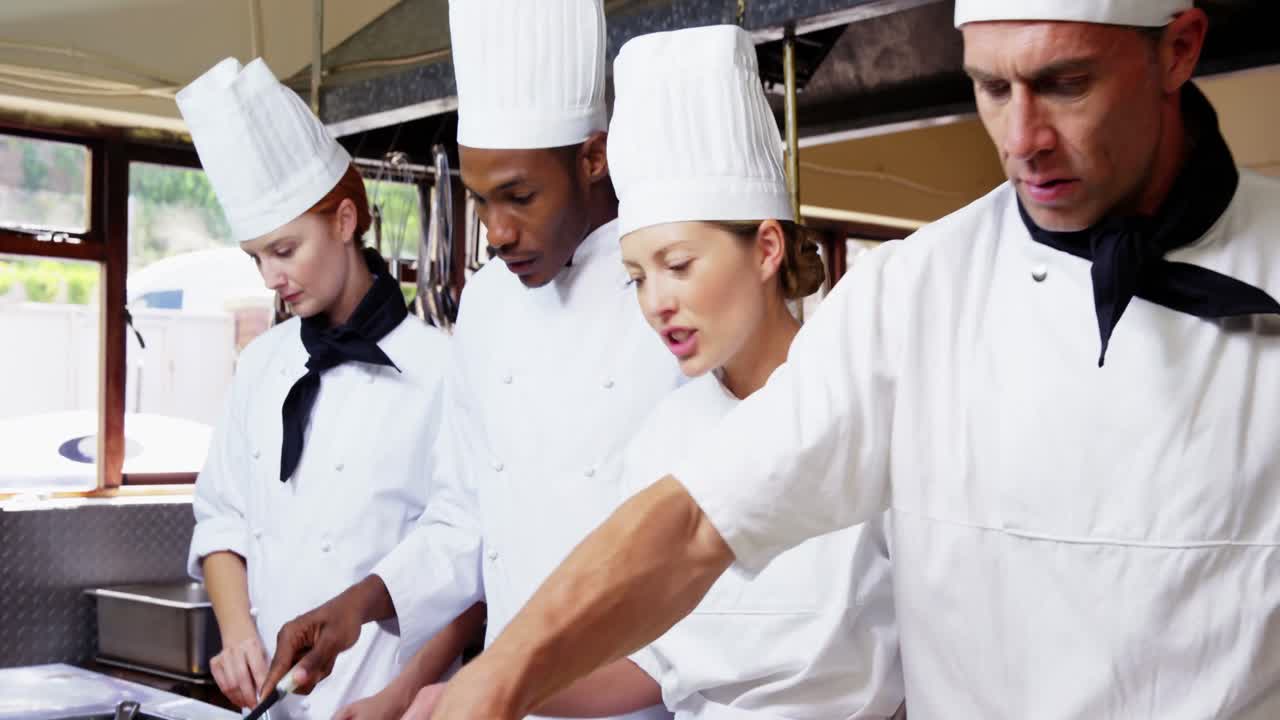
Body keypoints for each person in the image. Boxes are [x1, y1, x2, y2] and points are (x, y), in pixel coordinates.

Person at [428, 2, 1280, 719]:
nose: (1023, 138)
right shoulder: (917, 291)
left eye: (1065, 83)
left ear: (1178, 49)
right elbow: (693, 523)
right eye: (988, 86)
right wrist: (497, 679)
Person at [258, 2, 681, 719]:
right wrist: (358, 606)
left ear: (592, 158)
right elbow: (464, 516)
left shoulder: (673, 294)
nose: (498, 232)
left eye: (520, 196)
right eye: (481, 199)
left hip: (637, 705)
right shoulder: (486, 302)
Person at [178, 58, 465, 720]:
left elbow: (463, 568)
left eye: (284, 250)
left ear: (343, 221)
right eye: (256, 258)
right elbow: (222, 516)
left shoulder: (443, 371)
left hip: (392, 706)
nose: (270, 278)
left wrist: (398, 700)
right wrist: (238, 632)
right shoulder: (261, 366)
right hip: (274, 706)